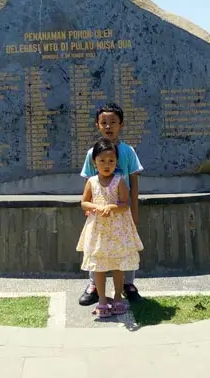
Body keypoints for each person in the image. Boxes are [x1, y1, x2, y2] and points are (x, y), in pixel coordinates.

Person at [78, 103, 144, 306]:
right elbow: (89, 183)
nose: (108, 126)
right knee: (96, 248)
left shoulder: (128, 152)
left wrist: (134, 211)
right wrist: (89, 210)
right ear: (97, 125)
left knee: (126, 247)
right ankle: (94, 286)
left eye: (113, 122)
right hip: (99, 215)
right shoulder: (92, 153)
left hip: (122, 213)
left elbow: (133, 184)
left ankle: (128, 284)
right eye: (104, 122)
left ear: (121, 124)